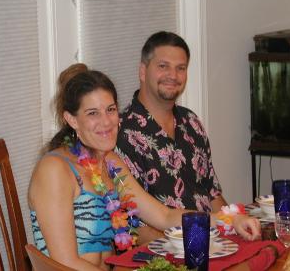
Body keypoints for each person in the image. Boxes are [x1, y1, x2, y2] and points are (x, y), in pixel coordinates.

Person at [28, 63, 261, 271]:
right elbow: (64, 262)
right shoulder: (55, 170)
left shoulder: (110, 163)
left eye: (110, 109)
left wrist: (227, 219)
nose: (106, 122)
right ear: (72, 120)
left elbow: (163, 215)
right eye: (92, 113)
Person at [116, 31, 231, 213]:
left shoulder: (191, 122)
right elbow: (133, 222)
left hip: (210, 234)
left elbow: (212, 194)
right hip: (164, 239)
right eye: (163, 66)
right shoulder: (121, 132)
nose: (173, 75)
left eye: (181, 68)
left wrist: (234, 223)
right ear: (143, 71)